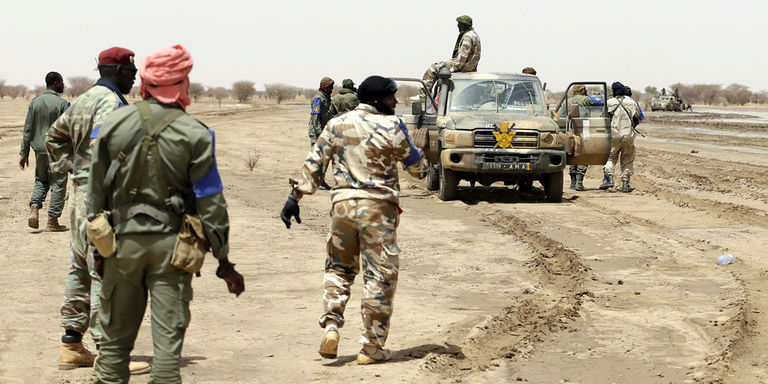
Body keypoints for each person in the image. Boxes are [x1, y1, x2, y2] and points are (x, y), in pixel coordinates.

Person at [88, 44, 245, 384]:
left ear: (144, 83)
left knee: (113, 348)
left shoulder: (114, 124)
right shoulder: (197, 134)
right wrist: (224, 261)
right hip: (173, 251)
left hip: (121, 246)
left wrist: (98, 250)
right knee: (167, 356)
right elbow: (211, 204)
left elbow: (95, 192)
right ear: (182, 84)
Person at [280, 76, 428, 365]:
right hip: (377, 210)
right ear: (377, 99)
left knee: (338, 268)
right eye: (391, 98)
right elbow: (418, 169)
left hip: (342, 208)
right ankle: (371, 347)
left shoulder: (337, 124)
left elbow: (314, 166)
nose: (395, 102)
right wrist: (421, 154)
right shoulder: (392, 126)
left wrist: (293, 198)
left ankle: (332, 325)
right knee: (379, 277)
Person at [47, 47, 149, 374]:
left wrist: (74, 171)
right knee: (107, 271)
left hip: (80, 196)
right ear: (117, 70)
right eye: (131, 72)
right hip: (100, 198)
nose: (135, 78)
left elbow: (54, 137)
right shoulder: (111, 104)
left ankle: (71, 345)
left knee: (80, 267)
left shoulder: (82, 100)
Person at [19, 71, 70, 231]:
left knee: (41, 180)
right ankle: (52, 222)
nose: (64, 85)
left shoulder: (34, 102)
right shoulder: (62, 104)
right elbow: (68, 131)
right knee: (58, 184)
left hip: (39, 149)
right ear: (56, 83)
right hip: (57, 150)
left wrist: (24, 153)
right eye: (62, 82)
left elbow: (27, 129)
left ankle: (34, 207)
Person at [422, 15, 481, 94]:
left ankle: (423, 95)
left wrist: (449, 70)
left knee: (433, 68)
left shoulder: (468, 37)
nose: (457, 25)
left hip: (464, 67)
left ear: (463, 25)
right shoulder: (474, 35)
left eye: (459, 23)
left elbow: (460, 60)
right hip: (470, 67)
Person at [599, 82, 641, 193]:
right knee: (627, 158)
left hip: (613, 135)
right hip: (628, 135)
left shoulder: (609, 103)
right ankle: (625, 183)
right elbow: (639, 117)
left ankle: (609, 178)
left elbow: (603, 118)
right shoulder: (632, 102)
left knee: (610, 157)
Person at [558, 84, 594, 191]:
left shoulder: (567, 101)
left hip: (571, 129)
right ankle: (579, 182)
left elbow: (561, 115)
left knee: (573, 153)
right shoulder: (588, 100)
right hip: (585, 129)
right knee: (584, 154)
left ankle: (573, 182)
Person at [308, 77, 334, 190]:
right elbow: (315, 118)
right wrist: (320, 134)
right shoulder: (318, 98)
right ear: (325, 87)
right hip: (317, 132)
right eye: (330, 87)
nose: (332, 89)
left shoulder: (326, 98)